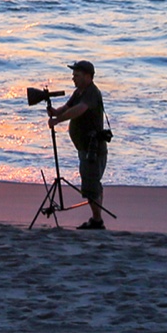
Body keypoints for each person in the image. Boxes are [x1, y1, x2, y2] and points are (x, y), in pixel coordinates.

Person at [47, 60, 109, 229]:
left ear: (88, 76)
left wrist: (58, 120)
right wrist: (55, 112)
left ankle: (97, 221)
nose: (73, 78)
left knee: (90, 185)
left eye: (77, 75)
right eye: (73, 75)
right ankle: (96, 219)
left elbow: (79, 109)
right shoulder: (79, 92)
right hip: (84, 147)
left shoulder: (91, 93)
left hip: (93, 149)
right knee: (91, 182)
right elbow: (67, 107)